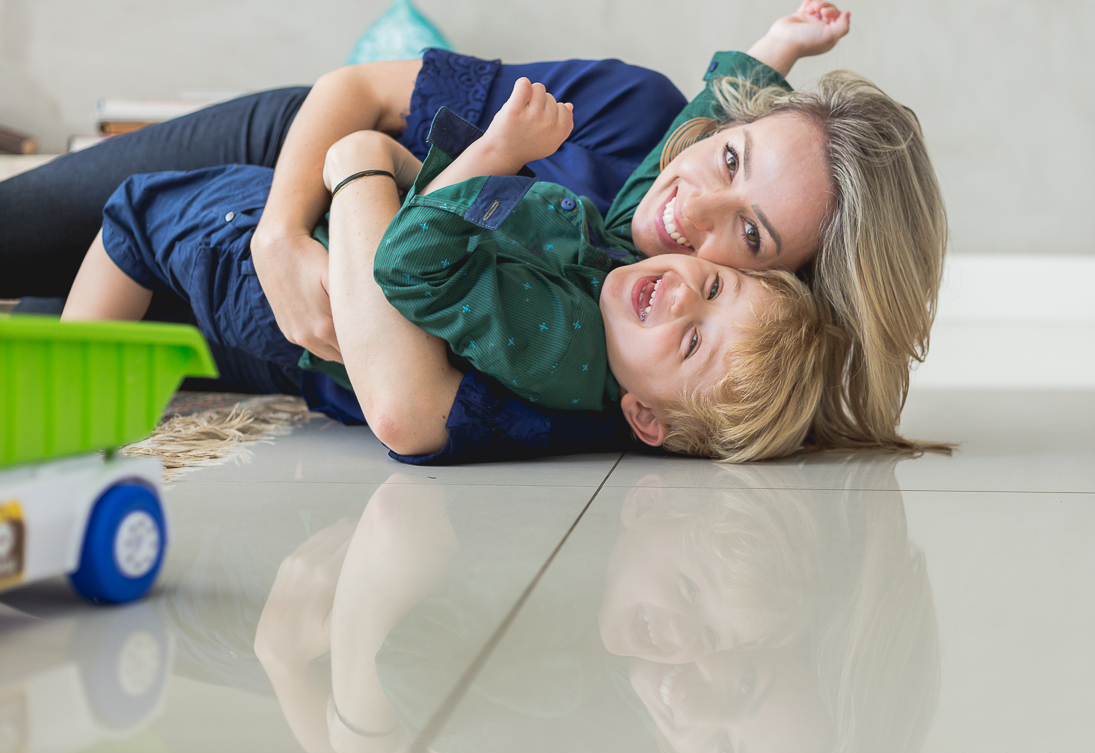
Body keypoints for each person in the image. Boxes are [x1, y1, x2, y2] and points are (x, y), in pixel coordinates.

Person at [62, 72, 832, 462]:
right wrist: (772, 54)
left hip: (297, 265)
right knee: (138, 246)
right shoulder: (618, 331)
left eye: (693, 340)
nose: (683, 293)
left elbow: (405, 262)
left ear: (647, 420)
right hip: (324, 228)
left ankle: (70, 429)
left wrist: (499, 150)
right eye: (715, 284)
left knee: (135, 217)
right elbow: (653, 182)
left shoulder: (558, 338)